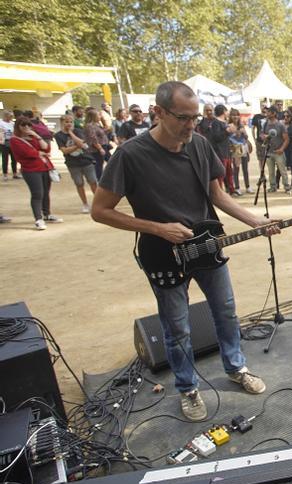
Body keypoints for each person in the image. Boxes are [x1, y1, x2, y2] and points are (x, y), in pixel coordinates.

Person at [91, 81, 277, 421]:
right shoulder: (130, 154)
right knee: (177, 327)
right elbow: (100, 210)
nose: (192, 125)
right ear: (158, 113)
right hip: (163, 255)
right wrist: (158, 228)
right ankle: (188, 388)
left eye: (196, 117)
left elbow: (218, 196)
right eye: (183, 118)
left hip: (207, 246)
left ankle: (236, 367)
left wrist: (257, 221)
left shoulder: (201, 146)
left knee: (226, 312)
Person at [9, 117, 62, 230]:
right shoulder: (15, 140)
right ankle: (38, 218)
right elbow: (28, 153)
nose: (26, 128)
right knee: (37, 193)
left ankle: (47, 214)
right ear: (18, 127)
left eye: (28, 125)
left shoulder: (33, 137)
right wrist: (39, 153)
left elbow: (46, 148)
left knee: (45, 192)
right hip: (31, 170)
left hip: (44, 167)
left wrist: (37, 136)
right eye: (23, 125)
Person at [55, 115, 98, 213]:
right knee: (79, 183)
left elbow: (81, 142)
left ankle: (98, 203)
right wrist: (77, 146)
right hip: (72, 163)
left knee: (93, 182)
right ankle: (85, 204)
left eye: (71, 122)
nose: (69, 124)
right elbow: (64, 150)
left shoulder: (78, 131)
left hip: (86, 161)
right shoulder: (58, 136)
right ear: (62, 123)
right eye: (66, 122)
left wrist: (71, 133)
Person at [259, 108, 289, 193]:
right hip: (268, 151)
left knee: (282, 170)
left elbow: (286, 139)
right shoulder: (265, 124)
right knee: (270, 171)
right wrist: (263, 136)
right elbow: (261, 134)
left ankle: (286, 187)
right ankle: (273, 186)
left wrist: (281, 149)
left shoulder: (280, 125)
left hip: (278, 151)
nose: (267, 114)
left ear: (274, 113)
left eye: (268, 112)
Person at [84, 109, 111, 179]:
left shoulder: (97, 124)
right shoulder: (90, 126)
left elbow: (100, 134)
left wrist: (106, 129)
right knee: (99, 165)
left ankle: (105, 177)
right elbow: (93, 138)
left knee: (111, 160)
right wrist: (100, 148)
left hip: (104, 145)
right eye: (98, 115)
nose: (100, 116)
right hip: (97, 149)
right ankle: (99, 180)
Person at [1, 110, 19, 180]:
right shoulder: (1, 123)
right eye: (10, 116)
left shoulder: (12, 123)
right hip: (4, 142)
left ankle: (15, 173)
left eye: (12, 116)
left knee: (14, 158)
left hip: (12, 141)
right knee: (5, 159)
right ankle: (5, 174)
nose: (11, 117)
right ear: (5, 116)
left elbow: (15, 132)